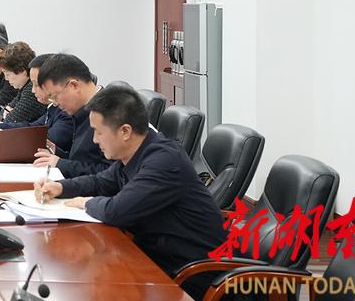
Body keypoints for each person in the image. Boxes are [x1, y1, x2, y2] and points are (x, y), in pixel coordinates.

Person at [34, 85, 225, 301]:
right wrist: (61, 187)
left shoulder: (163, 161)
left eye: (99, 132)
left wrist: (85, 202)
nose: (95, 140)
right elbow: (100, 181)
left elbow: (116, 211)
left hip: (194, 277)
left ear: (125, 131)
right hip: (156, 261)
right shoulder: (136, 154)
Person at [32, 53, 113, 178]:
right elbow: (83, 159)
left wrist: (61, 164)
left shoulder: (109, 113)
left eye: (54, 96)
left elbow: (111, 175)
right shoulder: (81, 111)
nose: (55, 103)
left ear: (74, 86)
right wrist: (57, 152)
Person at [0, 53, 74, 153]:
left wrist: (5, 139)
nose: (33, 90)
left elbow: (47, 141)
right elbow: (33, 127)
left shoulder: (67, 111)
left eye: (36, 85)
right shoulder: (54, 107)